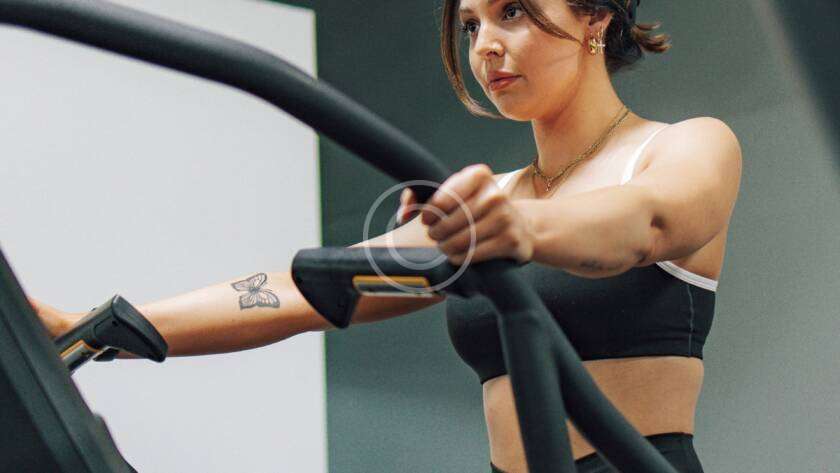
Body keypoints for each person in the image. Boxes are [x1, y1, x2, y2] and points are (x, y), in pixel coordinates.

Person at [32, 0, 742, 472]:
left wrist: (515, 229)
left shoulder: (682, 147)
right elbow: (301, 292)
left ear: (595, 16)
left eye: (513, 12)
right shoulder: (484, 204)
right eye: (470, 26)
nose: (486, 46)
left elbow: (648, 222)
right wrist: (91, 327)